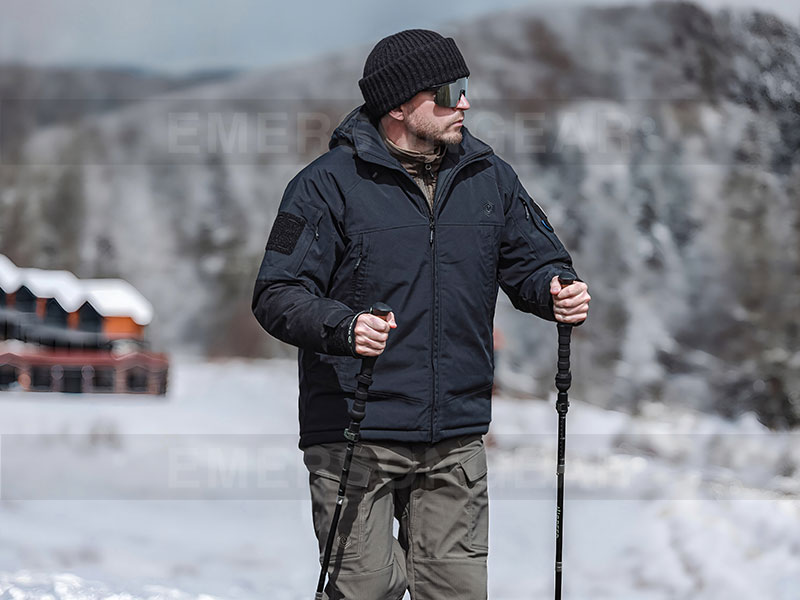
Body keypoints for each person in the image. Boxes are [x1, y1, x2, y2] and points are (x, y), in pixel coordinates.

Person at [252, 29, 590, 600]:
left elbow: (536, 261)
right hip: (355, 436)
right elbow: (278, 291)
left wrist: (555, 289)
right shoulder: (324, 186)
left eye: (466, 88)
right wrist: (344, 326)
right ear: (399, 105)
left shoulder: (491, 178)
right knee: (367, 591)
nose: (465, 102)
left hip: (454, 436)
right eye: (448, 90)